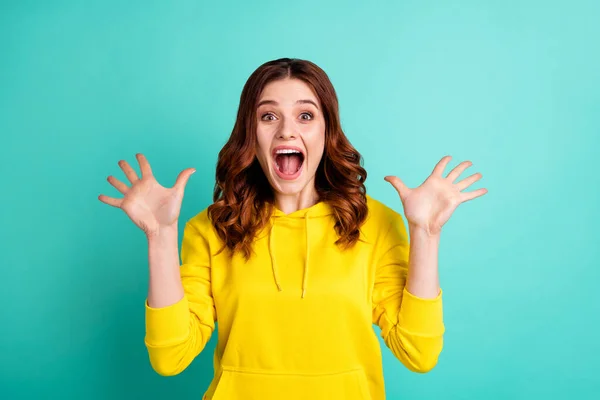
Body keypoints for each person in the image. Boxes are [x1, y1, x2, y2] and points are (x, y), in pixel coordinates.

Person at [98, 58, 487, 400]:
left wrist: (426, 234)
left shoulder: (376, 223)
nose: (286, 131)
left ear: (326, 131)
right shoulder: (213, 228)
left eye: (305, 115)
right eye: (268, 116)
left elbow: (418, 353)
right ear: (251, 133)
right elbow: (170, 357)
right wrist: (160, 236)